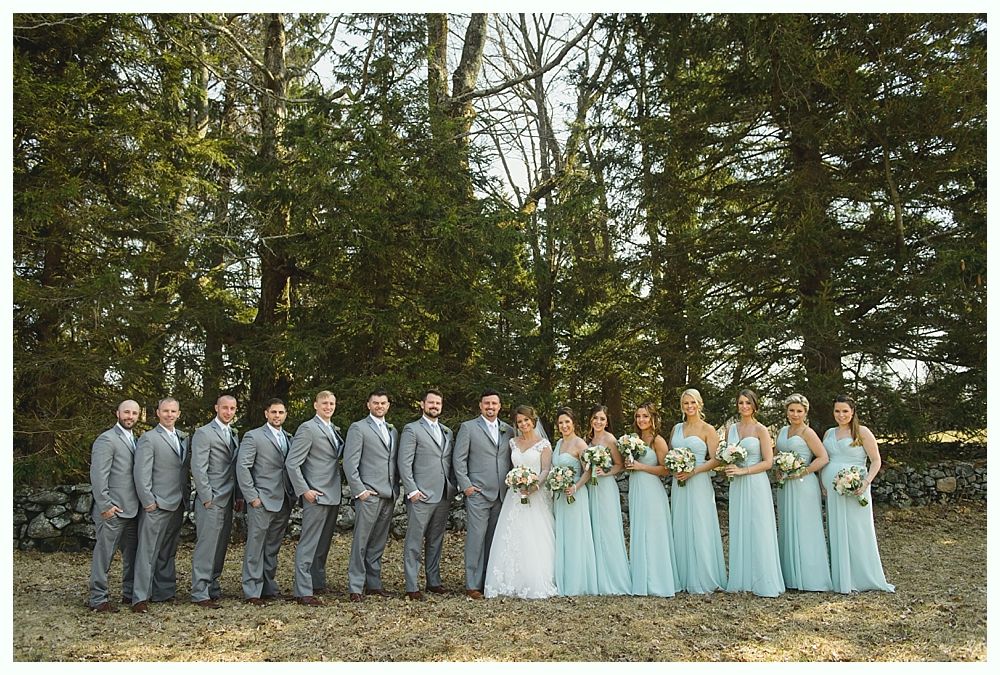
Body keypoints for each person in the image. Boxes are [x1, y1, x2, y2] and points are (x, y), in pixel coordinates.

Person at [821, 394, 895, 593]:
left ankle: (861, 576)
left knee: (857, 529)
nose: (841, 415)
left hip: (856, 488)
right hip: (834, 489)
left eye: (845, 411)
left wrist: (865, 482)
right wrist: (823, 482)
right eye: (837, 411)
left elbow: (876, 460)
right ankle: (841, 576)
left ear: (853, 412)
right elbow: (825, 459)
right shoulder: (829, 433)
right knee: (837, 529)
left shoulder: (862, 432)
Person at [484, 405, 557, 599]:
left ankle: (533, 579)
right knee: (511, 535)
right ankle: (510, 580)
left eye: (527, 420)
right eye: (520, 422)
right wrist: (516, 481)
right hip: (514, 496)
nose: (524, 424)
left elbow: (545, 470)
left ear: (533, 420)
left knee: (534, 536)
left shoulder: (544, 444)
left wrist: (533, 486)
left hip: (536, 495)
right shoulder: (512, 443)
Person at [453, 389, 515, 599]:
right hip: (477, 493)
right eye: (486, 403)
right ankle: (472, 584)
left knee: (494, 540)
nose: (490, 407)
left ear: (500, 406)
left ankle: (489, 581)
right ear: (480, 406)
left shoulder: (508, 430)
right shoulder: (468, 428)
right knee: (476, 539)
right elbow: (459, 460)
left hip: (502, 493)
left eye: (494, 404)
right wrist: (466, 486)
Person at [722, 389, 785, 597]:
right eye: (741, 403)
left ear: (755, 405)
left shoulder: (761, 429)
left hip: (755, 482)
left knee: (759, 527)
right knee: (740, 525)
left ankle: (763, 580)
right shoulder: (731, 429)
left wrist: (744, 470)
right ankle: (742, 579)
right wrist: (729, 466)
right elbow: (725, 455)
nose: (744, 407)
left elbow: (768, 462)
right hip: (737, 484)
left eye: (748, 403)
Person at [285, 390, 345, 606]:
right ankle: (302, 591)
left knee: (323, 543)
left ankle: (317, 582)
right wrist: (305, 490)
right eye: (324, 403)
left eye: (331, 403)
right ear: (315, 405)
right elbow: (292, 463)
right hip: (316, 494)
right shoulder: (308, 428)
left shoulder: (332, 428)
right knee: (309, 542)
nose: (328, 407)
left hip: (333, 493)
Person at [131, 397, 190, 612]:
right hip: (156, 503)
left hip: (177, 502)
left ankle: (164, 592)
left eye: (173, 411)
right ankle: (140, 597)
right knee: (147, 551)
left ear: (178, 414)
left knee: (168, 550)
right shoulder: (149, 438)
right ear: (157, 413)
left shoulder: (182, 438)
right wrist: (149, 502)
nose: (169, 415)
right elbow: (141, 473)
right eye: (165, 411)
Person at [398, 389, 456, 601]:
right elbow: (404, 462)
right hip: (420, 494)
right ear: (422, 404)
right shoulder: (412, 429)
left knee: (435, 540)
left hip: (442, 494)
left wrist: (451, 486)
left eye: (438, 403)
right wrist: (412, 490)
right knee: (414, 541)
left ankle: (433, 581)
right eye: (430, 402)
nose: (434, 406)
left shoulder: (447, 431)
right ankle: (412, 586)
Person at [236, 398, 295, 605]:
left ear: (285, 414)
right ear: (266, 414)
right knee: (255, 546)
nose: (277, 416)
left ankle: (267, 586)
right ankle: (252, 590)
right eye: (273, 412)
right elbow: (243, 467)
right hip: (262, 500)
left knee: (272, 546)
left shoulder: (289, 437)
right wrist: (252, 497)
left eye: (281, 412)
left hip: (283, 500)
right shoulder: (254, 436)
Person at [344, 389, 400, 602]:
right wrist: (361, 491)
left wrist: (395, 488)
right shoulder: (358, 428)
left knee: (378, 541)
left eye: (383, 403)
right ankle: (356, 586)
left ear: (388, 405)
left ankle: (373, 583)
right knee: (361, 540)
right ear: (368, 405)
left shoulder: (392, 430)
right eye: (375, 403)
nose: (379, 406)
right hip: (369, 494)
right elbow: (350, 463)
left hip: (388, 493)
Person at [668, 388, 727, 594]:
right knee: (681, 523)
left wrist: (694, 471)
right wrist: (676, 467)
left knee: (700, 524)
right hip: (680, 483)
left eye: (693, 403)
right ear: (681, 406)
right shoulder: (676, 429)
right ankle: (683, 576)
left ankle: (703, 577)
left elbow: (717, 459)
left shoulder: (707, 429)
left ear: (699, 404)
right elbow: (671, 454)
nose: (689, 407)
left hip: (699, 481)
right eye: (686, 403)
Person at [87, 399, 142, 612]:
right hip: (112, 510)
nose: (130, 416)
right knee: (104, 555)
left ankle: (129, 594)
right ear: (117, 413)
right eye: (126, 412)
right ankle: (98, 599)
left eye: (134, 413)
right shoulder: (106, 439)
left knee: (132, 555)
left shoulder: (134, 439)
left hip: (132, 509)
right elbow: (98, 475)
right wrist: (105, 505)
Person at [775, 393, 832, 591]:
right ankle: (790, 576)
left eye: (799, 411)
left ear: (805, 412)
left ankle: (810, 578)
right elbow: (776, 456)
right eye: (792, 410)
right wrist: (779, 469)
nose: (795, 414)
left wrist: (802, 470)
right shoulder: (782, 431)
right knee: (787, 525)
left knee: (805, 527)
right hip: (785, 486)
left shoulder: (808, 433)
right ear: (787, 412)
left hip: (803, 484)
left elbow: (823, 457)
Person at [190, 395, 242, 608]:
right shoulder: (204, 433)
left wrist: (237, 495)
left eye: (232, 408)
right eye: (224, 408)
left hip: (228, 498)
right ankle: (200, 591)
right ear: (216, 408)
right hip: (211, 500)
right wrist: (206, 497)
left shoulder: (233, 433)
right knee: (207, 546)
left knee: (220, 546)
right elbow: (198, 468)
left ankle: (213, 586)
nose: (228, 412)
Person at [625, 401, 679, 597]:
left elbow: (666, 470)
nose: (641, 420)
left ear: (653, 418)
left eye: (645, 416)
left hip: (652, 491)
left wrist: (641, 467)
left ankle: (658, 581)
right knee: (640, 531)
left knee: (654, 533)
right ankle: (642, 580)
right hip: (636, 489)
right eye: (638, 416)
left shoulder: (658, 441)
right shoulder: (633, 439)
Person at [584, 405, 631, 595]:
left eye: (602, 419)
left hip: (605, 487)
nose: (598, 422)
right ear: (590, 419)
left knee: (608, 527)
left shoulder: (610, 439)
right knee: (594, 527)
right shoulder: (588, 440)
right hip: (590, 487)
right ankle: (596, 575)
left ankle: (613, 577)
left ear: (607, 421)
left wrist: (605, 472)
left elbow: (620, 465)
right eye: (595, 418)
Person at [551, 407, 599, 596]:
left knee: (576, 536)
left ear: (573, 423)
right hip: (561, 497)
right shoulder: (558, 444)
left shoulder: (580, 444)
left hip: (575, 496)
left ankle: (577, 582)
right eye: (561, 423)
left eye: (567, 422)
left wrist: (576, 487)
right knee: (563, 536)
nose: (564, 426)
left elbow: (588, 470)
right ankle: (563, 577)